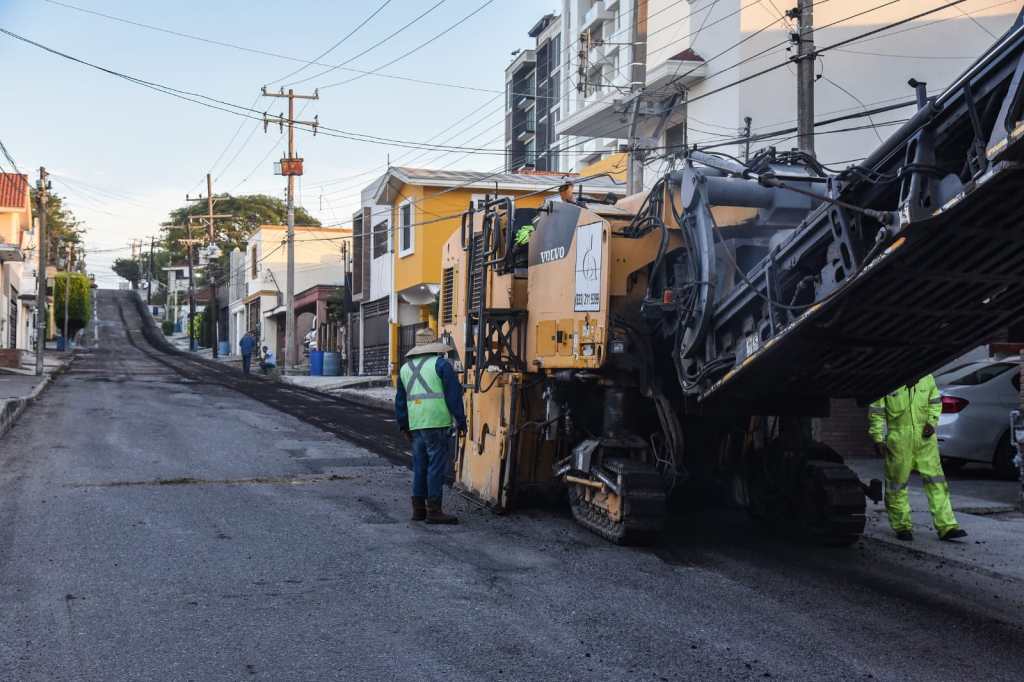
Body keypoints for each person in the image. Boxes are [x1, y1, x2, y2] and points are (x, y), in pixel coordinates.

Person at [868, 374, 967, 542]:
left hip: (925, 440)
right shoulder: (889, 383)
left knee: (936, 483)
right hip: (899, 440)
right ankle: (902, 527)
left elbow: (935, 402)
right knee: (897, 484)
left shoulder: (927, 379)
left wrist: (932, 422)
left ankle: (947, 527)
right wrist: (878, 438)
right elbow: (877, 412)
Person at [395, 328, 466, 524]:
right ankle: (434, 510)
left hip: (416, 423)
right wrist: (461, 420)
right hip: (437, 422)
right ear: (434, 347)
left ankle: (418, 510)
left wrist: (403, 425)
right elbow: (454, 397)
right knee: (435, 466)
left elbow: (400, 401)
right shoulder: (441, 364)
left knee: (420, 466)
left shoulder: (404, 368)